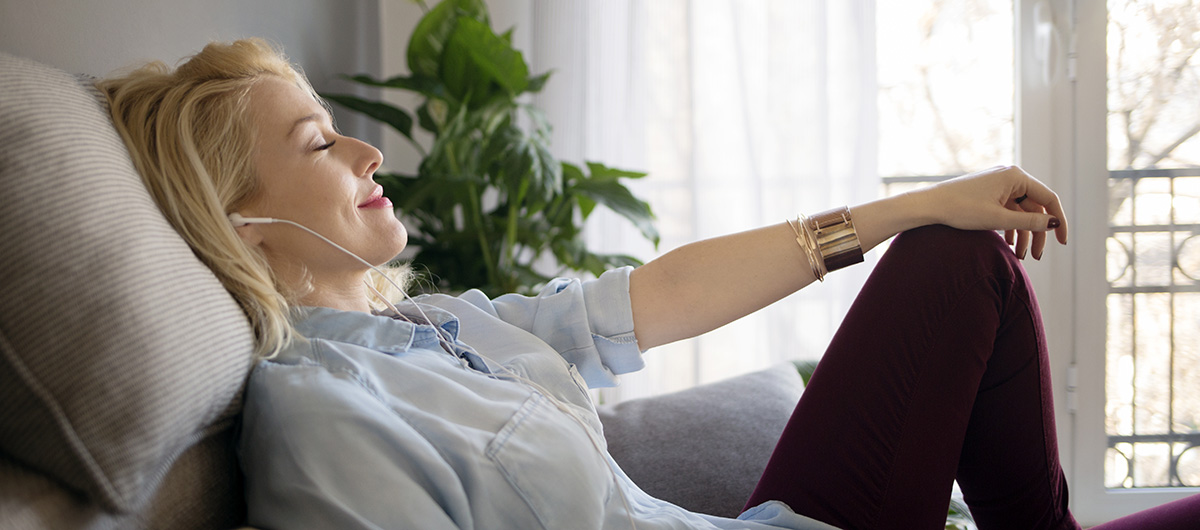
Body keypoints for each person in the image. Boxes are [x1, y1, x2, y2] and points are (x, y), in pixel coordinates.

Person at [98, 38, 1199, 530]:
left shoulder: (443, 327)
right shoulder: (320, 414)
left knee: (951, 251)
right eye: (317, 141)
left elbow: (657, 296)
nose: (364, 153)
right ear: (242, 216)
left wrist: (914, 201)